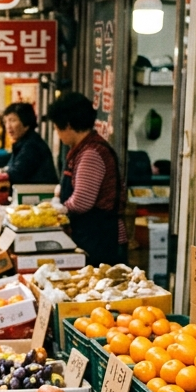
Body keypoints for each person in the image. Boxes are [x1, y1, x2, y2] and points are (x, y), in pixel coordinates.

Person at [46, 92, 127, 265]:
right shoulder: (82, 149)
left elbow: (82, 201)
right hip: (89, 236)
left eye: (57, 127)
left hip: (100, 240)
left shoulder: (91, 153)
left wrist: (56, 210)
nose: (58, 134)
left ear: (67, 125)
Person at [2, 102, 58, 185]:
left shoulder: (32, 145)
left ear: (26, 124)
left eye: (12, 120)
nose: (8, 126)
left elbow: (16, 174)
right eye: (6, 121)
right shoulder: (23, 142)